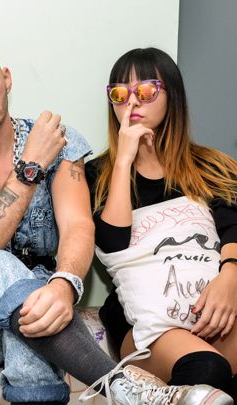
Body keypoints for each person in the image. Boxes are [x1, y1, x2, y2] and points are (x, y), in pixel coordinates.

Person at [0, 12, 232, 405]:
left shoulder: (59, 141)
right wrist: (30, 168)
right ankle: (120, 385)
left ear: (6, 79)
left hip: (44, 298)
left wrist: (64, 285)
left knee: (34, 311)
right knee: (2, 267)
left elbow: (77, 225)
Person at [86, 47, 237, 399]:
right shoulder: (93, 175)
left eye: (146, 90)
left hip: (212, 305)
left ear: (172, 95)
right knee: (206, 369)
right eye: (120, 93)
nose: (132, 101)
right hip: (142, 321)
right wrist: (123, 161)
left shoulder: (210, 166)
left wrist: (230, 275)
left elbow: (232, 224)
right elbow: (113, 242)